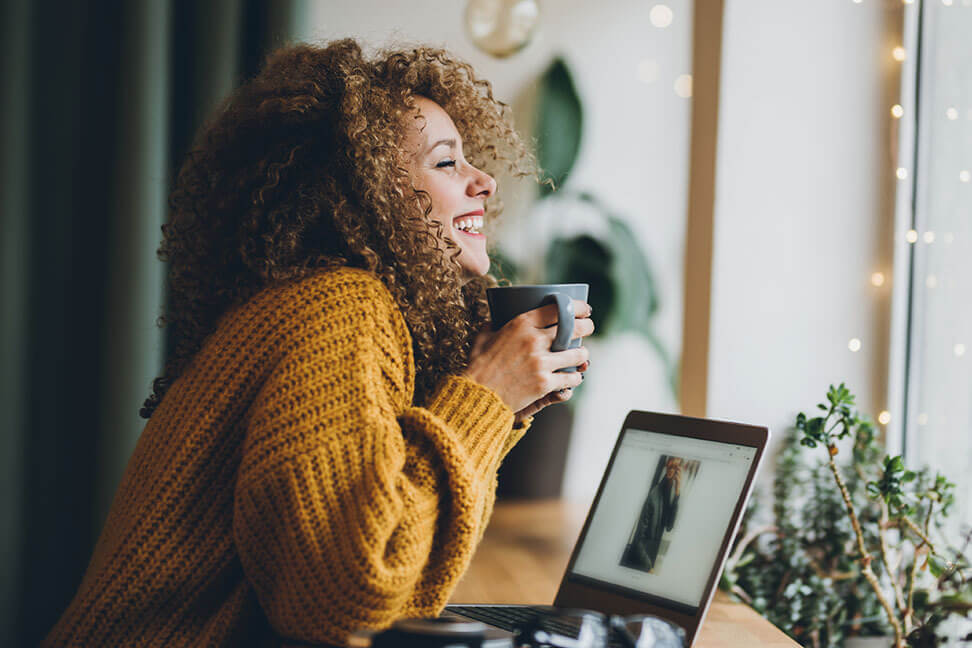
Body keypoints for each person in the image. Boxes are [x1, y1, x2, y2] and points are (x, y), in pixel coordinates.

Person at [43, 39, 592, 647]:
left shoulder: (321, 302)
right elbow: (352, 597)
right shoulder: (338, 309)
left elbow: (392, 567)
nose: (484, 181)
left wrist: (501, 406)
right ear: (367, 188)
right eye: (445, 163)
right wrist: (483, 399)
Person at [622, 457, 682, 573]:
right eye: (670, 466)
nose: (671, 470)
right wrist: (649, 567)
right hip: (639, 561)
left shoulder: (668, 495)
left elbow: (669, 526)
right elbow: (638, 539)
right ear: (666, 465)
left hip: (649, 559)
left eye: (675, 467)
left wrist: (677, 492)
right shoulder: (654, 495)